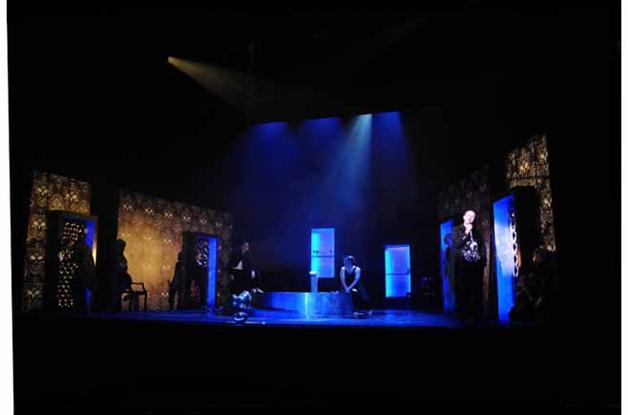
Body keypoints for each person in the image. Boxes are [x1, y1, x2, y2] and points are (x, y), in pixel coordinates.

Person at [452, 210, 486, 323]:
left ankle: (477, 316)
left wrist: (482, 261)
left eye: (473, 216)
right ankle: (463, 315)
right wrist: (466, 232)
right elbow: (457, 244)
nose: (470, 218)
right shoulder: (456, 230)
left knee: (477, 291)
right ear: (464, 217)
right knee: (463, 291)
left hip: (476, 266)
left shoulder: (477, 232)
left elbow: (482, 247)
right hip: (463, 266)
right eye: (468, 215)